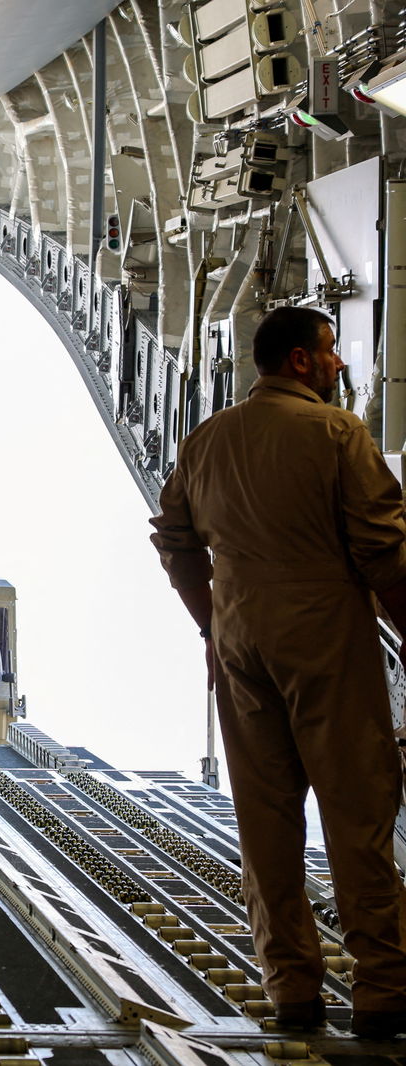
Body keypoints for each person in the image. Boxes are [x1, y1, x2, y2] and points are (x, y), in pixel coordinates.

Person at [150, 306, 406, 1039]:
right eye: (329, 354)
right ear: (298, 361)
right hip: (323, 630)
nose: (337, 365)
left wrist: (211, 621)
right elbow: (383, 548)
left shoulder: (205, 442)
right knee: (357, 810)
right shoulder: (335, 433)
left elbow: (173, 539)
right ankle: (384, 989)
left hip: (238, 644)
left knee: (266, 820)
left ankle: (292, 988)